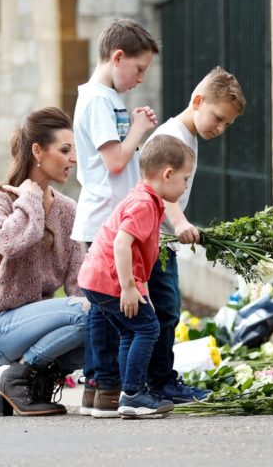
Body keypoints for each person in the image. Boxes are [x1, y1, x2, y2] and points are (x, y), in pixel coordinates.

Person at [69, 19, 161, 417]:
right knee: (107, 313)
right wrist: (139, 129)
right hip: (106, 218)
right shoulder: (96, 101)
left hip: (112, 217)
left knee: (107, 313)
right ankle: (105, 386)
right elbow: (115, 160)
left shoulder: (107, 99)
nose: (140, 78)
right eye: (138, 69)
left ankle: (102, 388)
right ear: (117, 57)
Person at [0, 107, 86, 417]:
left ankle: (33, 384)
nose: (73, 159)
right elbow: (12, 243)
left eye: (73, 150)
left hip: (37, 326)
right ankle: (18, 378)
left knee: (104, 321)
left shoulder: (68, 210)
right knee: (88, 314)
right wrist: (31, 197)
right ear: (38, 151)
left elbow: (78, 285)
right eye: (65, 150)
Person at [143, 67, 246, 403]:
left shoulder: (187, 136)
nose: (220, 128)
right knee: (166, 310)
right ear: (198, 101)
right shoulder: (172, 137)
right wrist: (181, 222)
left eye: (227, 125)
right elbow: (160, 191)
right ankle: (157, 382)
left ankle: (156, 379)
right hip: (155, 239)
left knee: (165, 309)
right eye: (218, 118)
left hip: (162, 239)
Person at [78, 135, 195, 418]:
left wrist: (142, 291)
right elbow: (121, 244)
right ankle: (133, 395)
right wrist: (129, 288)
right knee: (148, 329)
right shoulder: (144, 204)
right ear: (167, 174)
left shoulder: (147, 198)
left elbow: (140, 256)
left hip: (96, 279)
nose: (185, 186)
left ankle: (130, 392)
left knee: (133, 329)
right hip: (108, 280)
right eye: (184, 179)